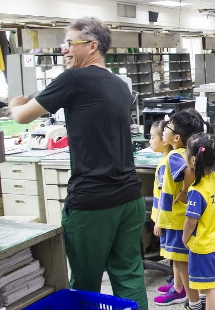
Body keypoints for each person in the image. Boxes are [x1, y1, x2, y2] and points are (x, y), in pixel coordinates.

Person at [7, 17, 148, 309]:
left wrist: (14, 102)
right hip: (129, 197)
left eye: (70, 43)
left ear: (92, 46)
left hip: (92, 202)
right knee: (129, 275)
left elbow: (21, 117)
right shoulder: (120, 84)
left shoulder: (73, 79)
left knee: (84, 282)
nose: (64, 49)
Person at [155, 110, 208, 307]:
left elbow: (189, 171)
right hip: (180, 218)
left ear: (177, 137)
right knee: (185, 261)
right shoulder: (189, 152)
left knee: (180, 262)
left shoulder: (175, 156)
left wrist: (184, 191)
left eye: (167, 128)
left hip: (176, 219)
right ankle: (200, 297)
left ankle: (194, 302)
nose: (163, 130)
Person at [182, 133, 215, 310]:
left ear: (193, 160)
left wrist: (184, 237)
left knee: (211, 288)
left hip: (204, 247)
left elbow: (191, 221)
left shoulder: (196, 191)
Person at [149, 120, 175, 294]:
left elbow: (165, 196)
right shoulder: (166, 161)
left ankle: (178, 286)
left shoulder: (165, 164)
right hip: (164, 216)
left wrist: (159, 222)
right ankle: (177, 282)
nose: (150, 141)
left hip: (166, 218)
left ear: (165, 140)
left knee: (175, 255)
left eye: (152, 137)